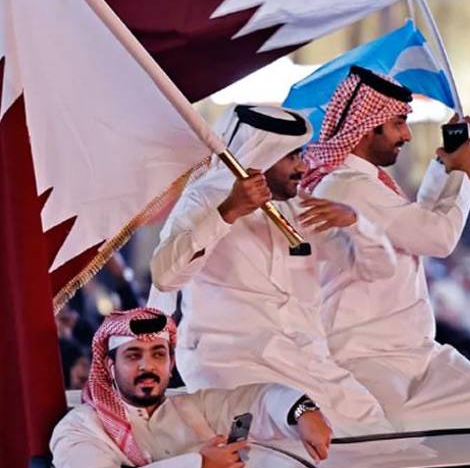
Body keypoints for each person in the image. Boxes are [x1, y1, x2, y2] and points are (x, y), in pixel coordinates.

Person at [149, 105, 392, 434]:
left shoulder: (301, 207)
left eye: (301, 154)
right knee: (296, 440)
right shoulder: (205, 200)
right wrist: (228, 213)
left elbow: (378, 271)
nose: (303, 166)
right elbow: (165, 276)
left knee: (375, 428)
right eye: (291, 156)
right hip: (232, 364)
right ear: (260, 156)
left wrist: (356, 224)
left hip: (306, 361)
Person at [302, 66, 470, 429]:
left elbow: (415, 225)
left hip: (415, 351)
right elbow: (437, 238)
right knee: (396, 427)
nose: (406, 135)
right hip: (363, 352)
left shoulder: (366, 182)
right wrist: (461, 174)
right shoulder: (348, 187)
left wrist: (446, 166)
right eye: (399, 123)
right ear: (367, 126)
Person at [50, 307, 332, 468]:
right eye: (133, 356)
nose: (147, 366)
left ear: (171, 363)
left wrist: (301, 411)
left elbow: (256, 401)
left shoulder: (192, 408)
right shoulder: (82, 427)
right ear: (110, 366)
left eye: (158, 354)